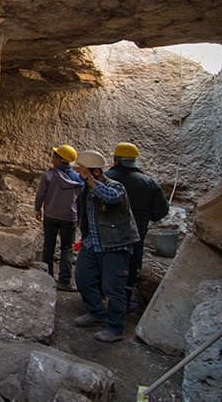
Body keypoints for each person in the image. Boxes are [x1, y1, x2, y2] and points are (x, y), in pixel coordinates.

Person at [72, 150, 140, 343]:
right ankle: (96, 312)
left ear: (94, 172)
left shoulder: (115, 186)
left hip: (115, 246)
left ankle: (115, 328)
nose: (79, 176)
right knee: (83, 278)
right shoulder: (87, 188)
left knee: (113, 289)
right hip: (93, 244)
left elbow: (112, 198)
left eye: (82, 172)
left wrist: (91, 181)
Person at [104, 142, 169, 310]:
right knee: (131, 266)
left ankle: (100, 299)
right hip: (136, 234)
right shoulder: (149, 183)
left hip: (108, 233)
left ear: (116, 160)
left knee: (105, 263)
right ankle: (124, 302)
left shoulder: (105, 179)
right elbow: (161, 211)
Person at [34, 144, 83, 292]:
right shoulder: (78, 178)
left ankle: (47, 276)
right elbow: (80, 200)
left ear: (60, 159)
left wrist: (38, 209)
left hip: (51, 215)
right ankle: (65, 281)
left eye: (54, 157)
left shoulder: (48, 175)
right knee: (67, 248)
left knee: (49, 245)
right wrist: (79, 216)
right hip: (70, 217)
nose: (52, 159)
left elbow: (40, 195)